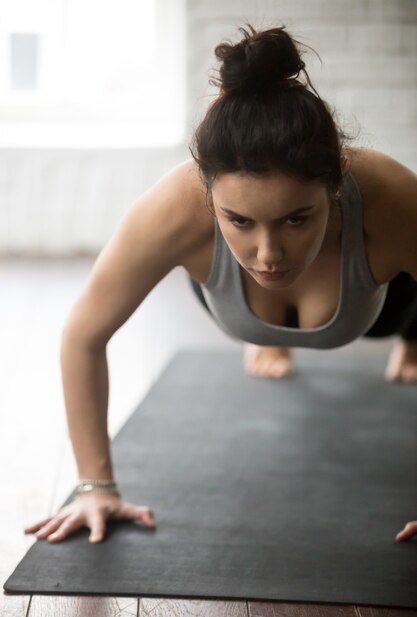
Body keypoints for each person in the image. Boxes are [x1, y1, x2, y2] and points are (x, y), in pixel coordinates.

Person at [24, 24, 417, 545]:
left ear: (338, 177)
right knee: (250, 280)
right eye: (240, 221)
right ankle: (271, 332)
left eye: (297, 219)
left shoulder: (390, 198)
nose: (268, 254)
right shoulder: (174, 208)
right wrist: (94, 486)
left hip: (383, 305)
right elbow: (83, 336)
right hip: (229, 300)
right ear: (208, 193)